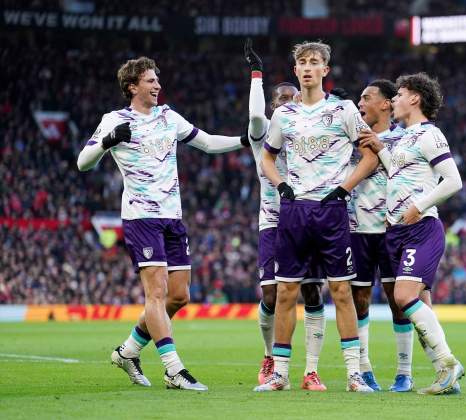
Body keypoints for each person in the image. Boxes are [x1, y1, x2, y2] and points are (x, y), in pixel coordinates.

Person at [77, 56, 247, 391]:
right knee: (155, 293)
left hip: (173, 215)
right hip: (142, 217)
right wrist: (108, 141)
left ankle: (128, 351)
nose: (158, 86)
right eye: (151, 81)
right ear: (132, 86)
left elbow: (208, 142)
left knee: (179, 296)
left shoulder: (168, 116)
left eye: (158, 80)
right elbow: (83, 162)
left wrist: (246, 140)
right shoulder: (115, 119)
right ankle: (173, 370)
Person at [255, 41, 378, 392]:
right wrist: (280, 185)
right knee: (286, 292)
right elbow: (267, 157)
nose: (308, 68)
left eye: (315, 62)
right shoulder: (283, 115)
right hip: (294, 211)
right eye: (302, 63)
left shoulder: (343, 111)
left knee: (341, 291)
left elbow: (370, 156)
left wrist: (344, 189)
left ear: (326, 70)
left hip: (332, 212)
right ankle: (280, 374)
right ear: (295, 70)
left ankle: (354, 375)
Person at [359, 72, 465, 395]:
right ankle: (443, 376)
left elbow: (453, 180)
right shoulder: (405, 137)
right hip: (399, 231)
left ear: (415, 98)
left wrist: (420, 204)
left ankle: (449, 363)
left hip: (421, 228)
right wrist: (380, 148)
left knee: (404, 298)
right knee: (421, 307)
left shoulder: (430, 135)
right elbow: (398, 173)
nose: (395, 100)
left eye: (400, 94)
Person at [244, 39, 328, 391]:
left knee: (312, 294)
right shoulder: (262, 132)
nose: (286, 102)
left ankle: (310, 370)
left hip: (307, 218)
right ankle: (270, 357)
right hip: (273, 222)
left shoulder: (304, 126)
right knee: (271, 296)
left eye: (290, 97)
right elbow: (254, 115)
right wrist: (256, 76)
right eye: (279, 98)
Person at [348, 79, 411, 391]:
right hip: (357, 228)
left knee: (396, 300)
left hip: (392, 228)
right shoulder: (350, 139)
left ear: (386, 104)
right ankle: (363, 368)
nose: (360, 103)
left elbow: (401, 172)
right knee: (358, 299)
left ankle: (404, 372)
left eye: (366, 97)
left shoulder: (402, 138)